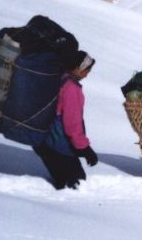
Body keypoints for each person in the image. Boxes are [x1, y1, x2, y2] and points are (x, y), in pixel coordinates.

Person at [33, 51, 98, 190]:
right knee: (76, 185)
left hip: (43, 141)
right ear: (78, 68)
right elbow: (72, 124)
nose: (87, 74)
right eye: (87, 70)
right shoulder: (71, 88)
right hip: (58, 145)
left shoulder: (57, 78)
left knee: (64, 181)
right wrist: (85, 148)